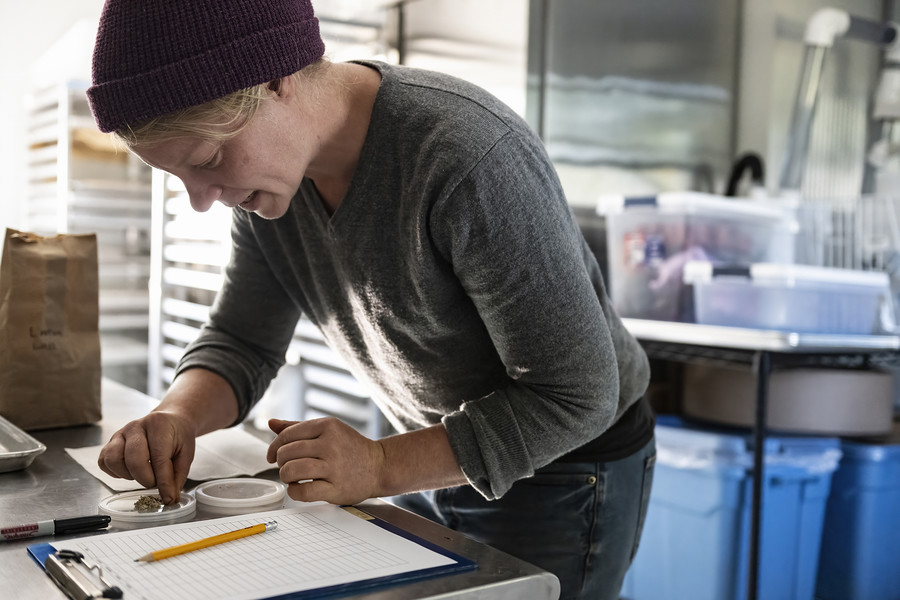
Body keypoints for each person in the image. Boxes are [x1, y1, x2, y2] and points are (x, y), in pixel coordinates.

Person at [87, 1, 656, 598]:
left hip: (565, 469)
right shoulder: (266, 187)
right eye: (180, 177)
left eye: (207, 160)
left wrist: (380, 466)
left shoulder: (465, 155)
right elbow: (242, 341)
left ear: (275, 79)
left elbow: (578, 393)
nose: (203, 198)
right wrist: (177, 416)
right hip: (432, 452)